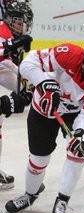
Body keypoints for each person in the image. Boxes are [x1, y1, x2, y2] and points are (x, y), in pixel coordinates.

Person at [4, 37, 84, 213]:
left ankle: (63, 200)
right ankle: (30, 194)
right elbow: (27, 63)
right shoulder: (69, 54)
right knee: (38, 159)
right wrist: (43, 83)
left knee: (78, 151)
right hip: (44, 107)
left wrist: (83, 132)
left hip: (74, 114)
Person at [0, 0, 33, 189]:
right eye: (19, 22)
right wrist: (10, 46)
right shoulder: (2, 30)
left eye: (25, 22)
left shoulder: (17, 35)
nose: (23, 26)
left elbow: (13, 65)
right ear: (10, 20)